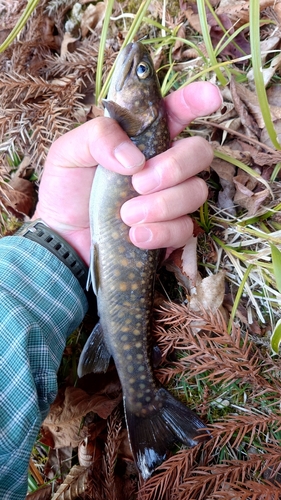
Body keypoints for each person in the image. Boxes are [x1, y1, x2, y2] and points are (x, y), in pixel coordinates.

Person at [0, 82, 222, 499]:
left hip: (100, 283)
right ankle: (149, 411)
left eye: (139, 73)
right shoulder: (126, 134)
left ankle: (146, 410)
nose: (133, 70)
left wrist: (57, 240)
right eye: (142, 72)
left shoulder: (129, 135)